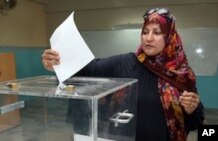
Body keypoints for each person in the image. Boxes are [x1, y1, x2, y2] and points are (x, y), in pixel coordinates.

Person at [41, 7, 204, 141]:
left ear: (169, 37)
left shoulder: (182, 74)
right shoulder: (127, 63)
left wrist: (192, 110)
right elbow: (87, 70)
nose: (148, 38)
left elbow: (196, 121)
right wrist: (57, 63)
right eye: (145, 31)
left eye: (157, 32)